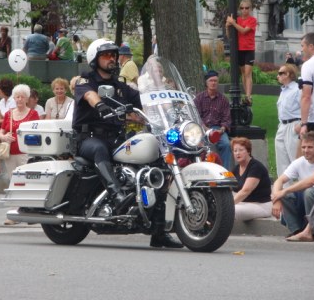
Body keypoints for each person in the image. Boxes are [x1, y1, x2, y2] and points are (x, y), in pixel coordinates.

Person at [73, 38, 182, 248]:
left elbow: (145, 100)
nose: (112, 58)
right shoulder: (85, 81)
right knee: (99, 148)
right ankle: (117, 195)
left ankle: (158, 231)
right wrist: (101, 106)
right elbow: (89, 95)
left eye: (114, 55)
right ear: (95, 59)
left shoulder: (120, 87)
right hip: (89, 139)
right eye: (106, 55)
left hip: (116, 138)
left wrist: (169, 109)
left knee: (157, 163)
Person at [271, 131, 314, 236]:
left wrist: (284, 191)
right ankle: (297, 231)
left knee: (308, 192)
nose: (306, 150)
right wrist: (276, 199)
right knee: (286, 196)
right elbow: (279, 180)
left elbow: (311, 181)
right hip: (307, 200)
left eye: (310, 147)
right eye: (303, 147)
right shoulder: (299, 162)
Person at [0, 84, 39, 226]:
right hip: (11, 152)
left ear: (27, 98)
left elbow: (36, 131)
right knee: (13, 182)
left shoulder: (33, 114)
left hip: (25, 152)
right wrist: (4, 137)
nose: (20, 99)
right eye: (17, 97)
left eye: (22, 97)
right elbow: (0, 131)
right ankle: (13, 213)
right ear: (14, 98)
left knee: (27, 182)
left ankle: (29, 212)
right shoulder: (9, 114)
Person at [194, 70, 232, 170]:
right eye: (211, 81)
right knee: (198, 145)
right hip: (202, 128)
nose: (213, 83)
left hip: (217, 128)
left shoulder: (223, 99)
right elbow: (195, 116)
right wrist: (204, 128)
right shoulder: (199, 98)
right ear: (206, 83)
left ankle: (224, 172)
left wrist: (222, 130)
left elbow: (227, 118)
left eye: (215, 81)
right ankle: (201, 171)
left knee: (226, 144)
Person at [231, 137, 272, 221]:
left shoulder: (256, 167)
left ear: (248, 151)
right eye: (235, 151)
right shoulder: (236, 169)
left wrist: (228, 204)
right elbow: (227, 186)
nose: (237, 153)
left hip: (260, 205)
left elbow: (246, 190)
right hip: (243, 203)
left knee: (229, 210)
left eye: (241, 150)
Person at [226, 0, 257, 106]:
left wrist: (233, 23)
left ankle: (248, 96)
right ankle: (246, 95)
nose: (244, 10)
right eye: (242, 8)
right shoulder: (237, 20)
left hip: (249, 49)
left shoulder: (252, 20)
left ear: (250, 8)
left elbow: (243, 31)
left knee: (248, 73)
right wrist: (227, 26)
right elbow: (230, 36)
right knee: (243, 73)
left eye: (247, 8)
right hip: (239, 50)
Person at [275, 63, 301, 178]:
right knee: (281, 159)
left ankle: (303, 187)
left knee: (295, 158)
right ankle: (285, 190)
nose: (278, 76)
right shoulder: (283, 90)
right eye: (278, 73)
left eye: (281, 73)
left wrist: (301, 124)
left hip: (294, 124)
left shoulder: (297, 89)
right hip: (283, 125)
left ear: (289, 74)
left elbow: (308, 107)